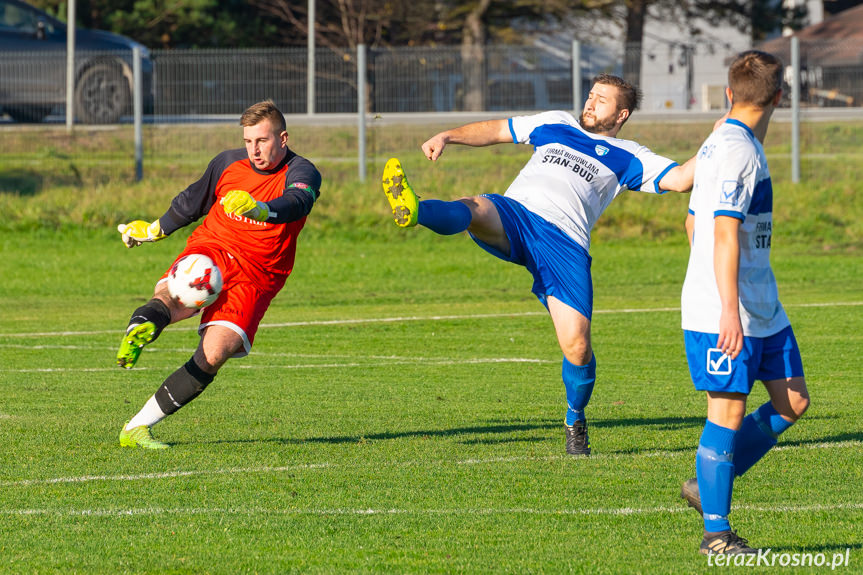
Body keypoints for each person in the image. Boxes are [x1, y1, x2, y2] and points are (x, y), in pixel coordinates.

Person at [381, 74, 696, 456]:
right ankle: (416, 211)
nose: (590, 103)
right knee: (474, 207)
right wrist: (448, 135)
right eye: (591, 95)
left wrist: (721, 146)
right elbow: (498, 130)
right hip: (518, 214)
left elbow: (679, 179)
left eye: (602, 100)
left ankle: (575, 418)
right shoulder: (556, 122)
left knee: (577, 346)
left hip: (565, 245)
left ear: (622, 113)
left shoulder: (631, 155)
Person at [114, 100, 322, 449]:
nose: (254, 149)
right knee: (173, 294)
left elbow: (298, 203)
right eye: (248, 141)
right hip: (214, 247)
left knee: (214, 353)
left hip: (259, 273)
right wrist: (154, 230)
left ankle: (135, 428)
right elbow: (192, 201)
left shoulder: (303, 171)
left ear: (282, 138)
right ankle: (142, 326)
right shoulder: (228, 163)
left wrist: (262, 209)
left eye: (262, 140)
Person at [678, 51, 810, 554]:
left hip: (763, 306)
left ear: (730, 94)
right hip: (727, 310)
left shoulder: (725, 141)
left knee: (792, 402)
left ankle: (705, 483)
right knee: (726, 413)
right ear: (780, 97)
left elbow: (693, 222)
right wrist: (724, 306)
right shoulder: (736, 151)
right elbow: (723, 231)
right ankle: (716, 534)